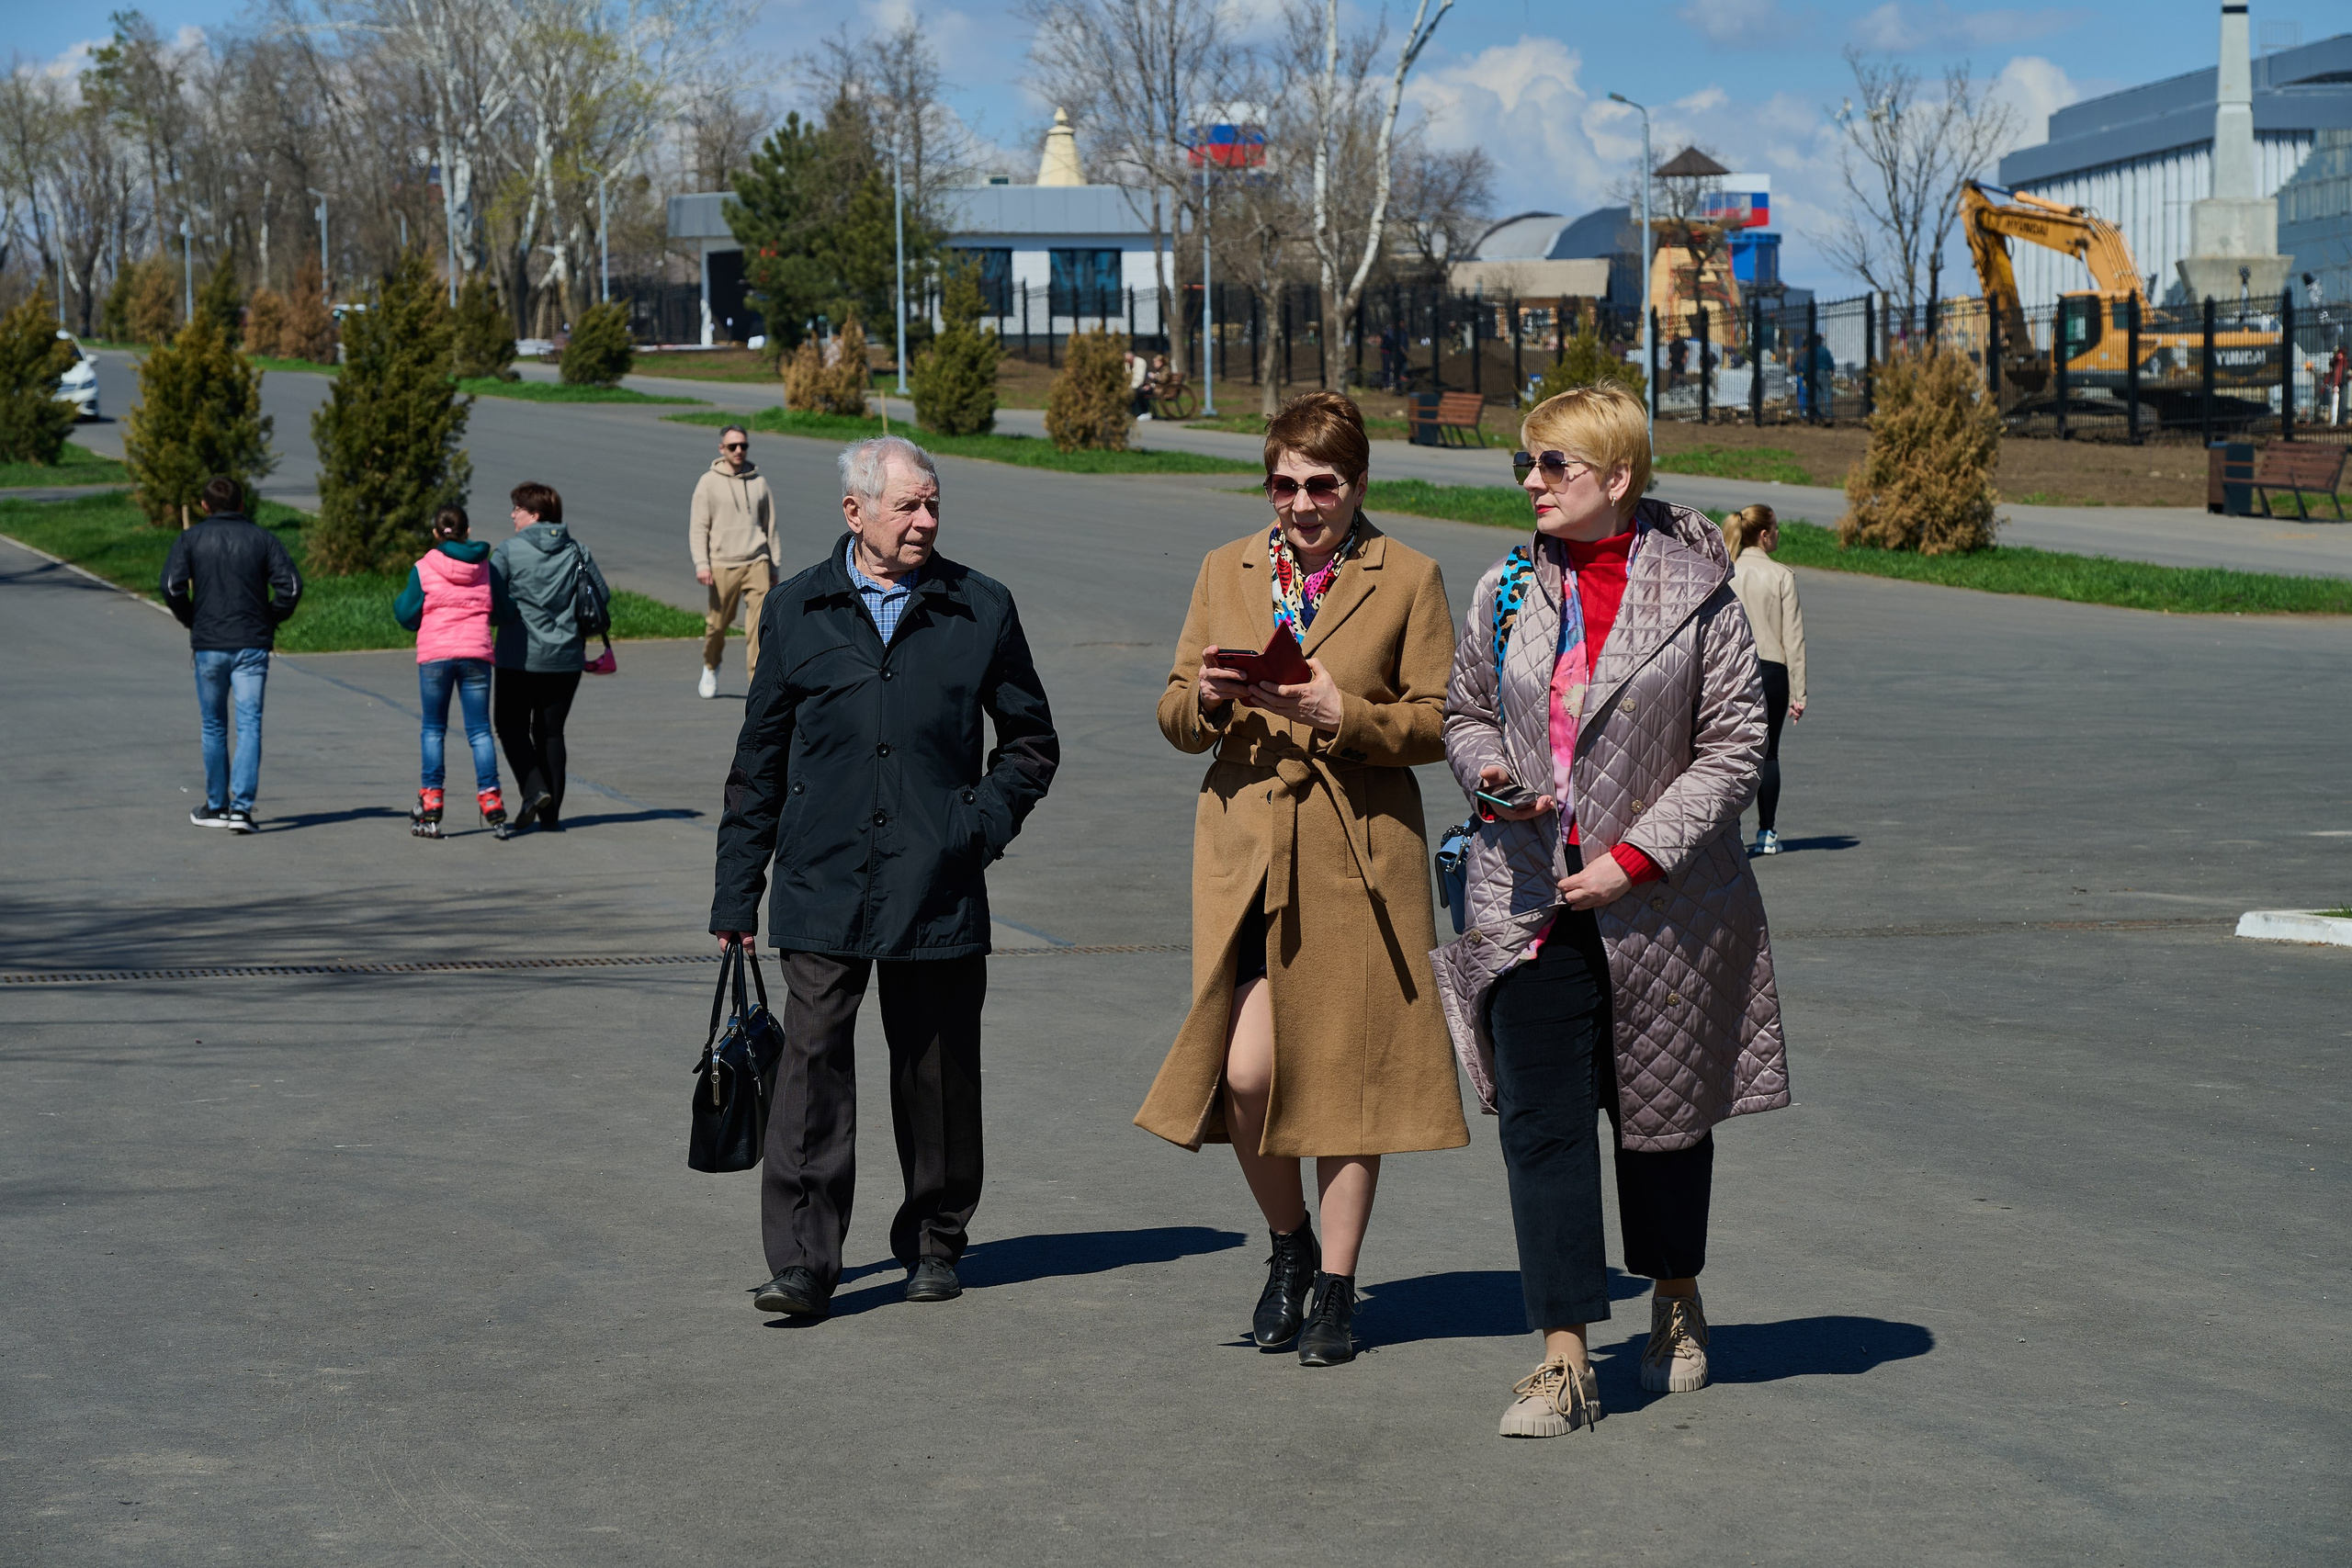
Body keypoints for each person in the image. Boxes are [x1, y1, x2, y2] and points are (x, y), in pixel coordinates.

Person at [1431, 382, 1788, 1439]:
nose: (1530, 482)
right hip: (1526, 896)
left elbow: (1736, 746)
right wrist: (1490, 774)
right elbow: (1461, 712)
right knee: (1541, 1128)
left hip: (1663, 906)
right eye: (1525, 465)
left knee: (1662, 1124)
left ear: (1617, 480)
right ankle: (1561, 1360)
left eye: (1553, 465)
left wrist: (1634, 858)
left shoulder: (1700, 596)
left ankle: (1674, 1299)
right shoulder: (1503, 587)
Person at [1136, 390, 1468, 1369]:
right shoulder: (1223, 568)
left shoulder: (1407, 576)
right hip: (1243, 846)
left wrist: (1341, 712)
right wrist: (1198, 700)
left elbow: (1441, 722)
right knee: (1245, 1073)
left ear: (1357, 483)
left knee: (1345, 1075)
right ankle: (1287, 1247)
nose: (1300, 502)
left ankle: (1335, 1286)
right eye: (1283, 483)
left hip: (1357, 850)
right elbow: (1168, 709)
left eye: (1321, 484)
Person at [712, 435, 1058, 1321]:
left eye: (933, 504)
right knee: (811, 1065)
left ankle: (936, 1241)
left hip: (934, 880)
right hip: (822, 879)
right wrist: (735, 892)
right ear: (854, 512)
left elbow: (1030, 742)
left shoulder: (979, 606)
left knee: (936, 1069)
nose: (926, 521)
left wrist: (971, 828)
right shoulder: (795, 610)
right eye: (908, 506)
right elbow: (758, 758)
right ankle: (803, 1263)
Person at [162, 475, 301, 833]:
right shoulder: (262, 539)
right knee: (249, 723)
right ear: (241, 504)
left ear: (205, 506)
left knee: (213, 725)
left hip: (209, 644)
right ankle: (241, 808)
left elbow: (171, 586)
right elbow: (291, 587)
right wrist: (269, 617)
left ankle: (216, 805)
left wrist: (191, 617)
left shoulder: (191, 539)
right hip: (251, 644)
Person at [492, 480, 609, 832]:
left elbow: (492, 600)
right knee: (551, 733)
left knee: (510, 727)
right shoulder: (577, 550)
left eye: (518, 509)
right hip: (566, 658)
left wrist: (510, 614)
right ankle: (551, 814)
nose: (512, 514)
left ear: (536, 514)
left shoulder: (508, 552)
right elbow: (600, 594)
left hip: (519, 658)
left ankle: (534, 789)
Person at [393, 505, 510, 840]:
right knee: (479, 731)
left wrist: (420, 619)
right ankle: (490, 799)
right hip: (476, 653)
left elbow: (405, 612)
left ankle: (431, 799)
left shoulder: (425, 566)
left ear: (435, 533)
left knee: (433, 728)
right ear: (468, 530)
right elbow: (504, 610)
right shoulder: (485, 567)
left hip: (435, 656)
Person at [1724, 504, 1807, 855]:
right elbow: (1794, 639)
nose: (1778, 535)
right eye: (1775, 529)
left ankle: (1732, 832)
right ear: (1764, 534)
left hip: (1731, 669)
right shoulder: (1781, 576)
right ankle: (1767, 833)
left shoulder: (1727, 570)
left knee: (1728, 753)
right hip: (1772, 670)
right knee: (1768, 754)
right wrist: (1798, 693)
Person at [690, 424, 777, 699]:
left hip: (757, 561)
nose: (739, 451)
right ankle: (710, 665)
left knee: (759, 626)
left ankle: (757, 684)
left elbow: (770, 526)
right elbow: (698, 527)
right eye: (732, 446)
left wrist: (773, 566)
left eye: (743, 446)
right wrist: (701, 564)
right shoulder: (708, 482)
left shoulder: (759, 482)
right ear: (722, 449)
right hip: (722, 563)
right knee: (718, 623)